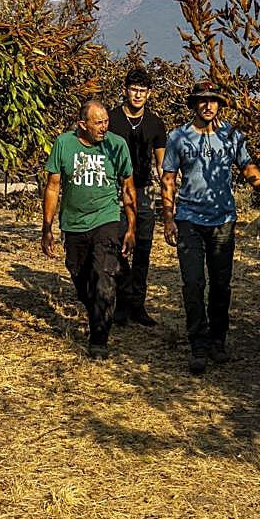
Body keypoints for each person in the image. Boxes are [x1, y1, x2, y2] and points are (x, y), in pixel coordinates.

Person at [161, 80, 260, 375]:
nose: (208, 105)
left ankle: (218, 341)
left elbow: (248, 168)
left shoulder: (232, 136)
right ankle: (198, 345)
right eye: (202, 100)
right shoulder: (178, 137)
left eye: (213, 100)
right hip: (189, 218)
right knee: (193, 284)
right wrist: (168, 217)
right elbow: (168, 178)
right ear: (194, 104)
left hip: (223, 220)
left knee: (220, 284)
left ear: (219, 104)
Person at [42, 100, 137, 359]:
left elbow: (128, 188)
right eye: (98, 122)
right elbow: (53, 187)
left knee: (103, 277)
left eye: (106, 121)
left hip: (106, 219)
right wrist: (47, 227)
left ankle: (99, 339)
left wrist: (131, 227)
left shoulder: (117, 146)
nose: (104, 127)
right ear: (82, 124)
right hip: (73, 223)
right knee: (80, 276)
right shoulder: (64, 144)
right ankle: (96, 308)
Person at [108, 67, 167, 327]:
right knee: (119, 246)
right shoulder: (110, 119)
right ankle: (122, 302)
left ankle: (138, 306)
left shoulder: (155, 123)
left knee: (143, 249)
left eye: (142, 90)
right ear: (125, 90)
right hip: (115, 192)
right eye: (134, 89)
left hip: (144, 193)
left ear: (149, 93)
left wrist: (168, 199)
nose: (137, 95)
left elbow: (162, 164)